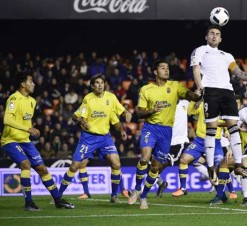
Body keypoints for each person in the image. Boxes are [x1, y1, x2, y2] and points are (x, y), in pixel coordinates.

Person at [127, 59, 201, 209]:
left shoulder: (175, 86)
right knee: (145, 157)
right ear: (155, 72)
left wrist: (199, 93)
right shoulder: (146, 89)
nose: (166, 70)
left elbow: (190, 95)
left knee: (155, 167)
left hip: (167, 131)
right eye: (162, 68)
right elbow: (139, 112)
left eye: (167, 68)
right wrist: (151, 111)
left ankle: (143, 196)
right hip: (151, 128)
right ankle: (136, 188)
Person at [190, 24, 247, 185]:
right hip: (211, 91)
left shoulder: (227, 55)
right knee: (211, 129)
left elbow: (238, 72)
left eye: (217, 34)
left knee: (233, 127)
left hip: (227, 91)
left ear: (220, 38)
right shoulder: (199, 50)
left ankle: (239, 165)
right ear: (206, 37)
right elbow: (196, 70)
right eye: (211, 33)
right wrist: (200, 88)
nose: (214, 36)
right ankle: (211, 167)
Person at [0, 71, 74, 211]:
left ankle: (57, 199)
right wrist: (28, 129)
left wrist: (30, 130)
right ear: (23, 84)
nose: (33, 84)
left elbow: (25, 120)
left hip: (25, 141)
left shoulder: (32, 101)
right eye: (30, 81)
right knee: (26, 164)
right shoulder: (13, 99)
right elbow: (7, 120)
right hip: (10, 140)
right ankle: (28, 202)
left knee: (42, 169)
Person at [58, 75, 131, 203]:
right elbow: (79, 116)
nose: (100, 85)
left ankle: (114, 195)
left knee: (116, 163)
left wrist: (124, 122)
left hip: (105, 138)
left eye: (102, 82)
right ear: (92, 86)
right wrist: (82, 121)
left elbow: (119, 114)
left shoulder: (111, 97)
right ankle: (57, 195)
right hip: (89, 138)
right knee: (75, 166)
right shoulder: (88, 99)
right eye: (97, 83)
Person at [171, 100, 224, 198]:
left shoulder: (221, 104)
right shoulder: (202, 103)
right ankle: (183, 188)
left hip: (214, 140)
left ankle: (222, 194)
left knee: (215, 168)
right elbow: (190, 112)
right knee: (184, 159)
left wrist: (216, 123)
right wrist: (196, 102)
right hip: (199, 141)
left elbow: (228, 122)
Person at [155, 99, 191, 198]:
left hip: (179, 143)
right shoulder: (166, 105)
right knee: (151, 166)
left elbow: (197, 101)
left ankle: (140, 191)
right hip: (166, 142)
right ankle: (161, 183)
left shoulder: (185, 103)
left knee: (161, 165)